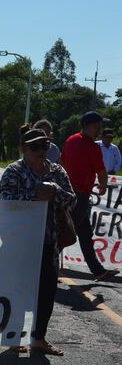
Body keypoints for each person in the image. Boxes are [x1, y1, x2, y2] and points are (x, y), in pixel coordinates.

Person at [0, 128, 76, 356]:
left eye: (45, 146)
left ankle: (39, 338)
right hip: (20, 242)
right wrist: (34, 194)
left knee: (47, 291)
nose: (41, 151)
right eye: (35, 147)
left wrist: (55, 191)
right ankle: (13, 336)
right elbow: (5, 199)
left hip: (49, 241)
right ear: (24, 149)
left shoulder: (57, 171)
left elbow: (71, 200)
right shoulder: (14, 170)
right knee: (18, 290)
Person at [62, 111, 119, 281]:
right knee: (66, 232)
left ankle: (98, 271)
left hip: (66, 193)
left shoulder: (70, 140)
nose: (101, 128)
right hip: (80, 196)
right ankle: (42, 265)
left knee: (84, 233)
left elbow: (61, 163)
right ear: (94, 125)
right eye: (99, 125)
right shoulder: (93, 147)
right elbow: (101, 172)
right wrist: (102, 185)